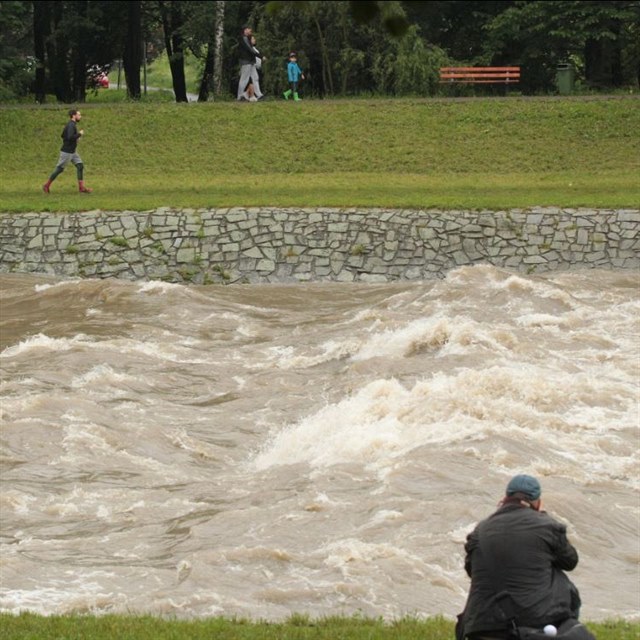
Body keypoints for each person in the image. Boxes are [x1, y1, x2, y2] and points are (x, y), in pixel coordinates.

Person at [456, 475, 595, 640]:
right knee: (559, 576)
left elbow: (471, 570)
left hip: (479, 625)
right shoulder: (547, 525)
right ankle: (560, 630)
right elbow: (570, 561)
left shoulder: (480, 530)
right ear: (537, 503)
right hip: (531, 622)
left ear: (506, 498)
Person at [42, 109, 92, 194]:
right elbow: (69, 137)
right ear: (74, 116)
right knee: (59, 169)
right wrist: (79, 134)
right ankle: (46, 185)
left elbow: (63, 135)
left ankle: (81, 188)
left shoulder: (71, 125)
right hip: (67, 152)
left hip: (73, 151)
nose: (80, 116)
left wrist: (75, 139)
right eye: (79, 115)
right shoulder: (71, 125)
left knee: (80, 166)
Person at [237, 26, 265, 101]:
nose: (250, 32)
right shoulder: (244, 38)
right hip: (246, 61)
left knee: (255, 77)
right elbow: (250, 49)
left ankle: (259, 95)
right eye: (249, 30)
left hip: (251, 62)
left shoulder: (246, 39)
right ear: (245, 30)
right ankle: (240, 96)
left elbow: (251, 48)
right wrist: (261, 56)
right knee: (244, 79)